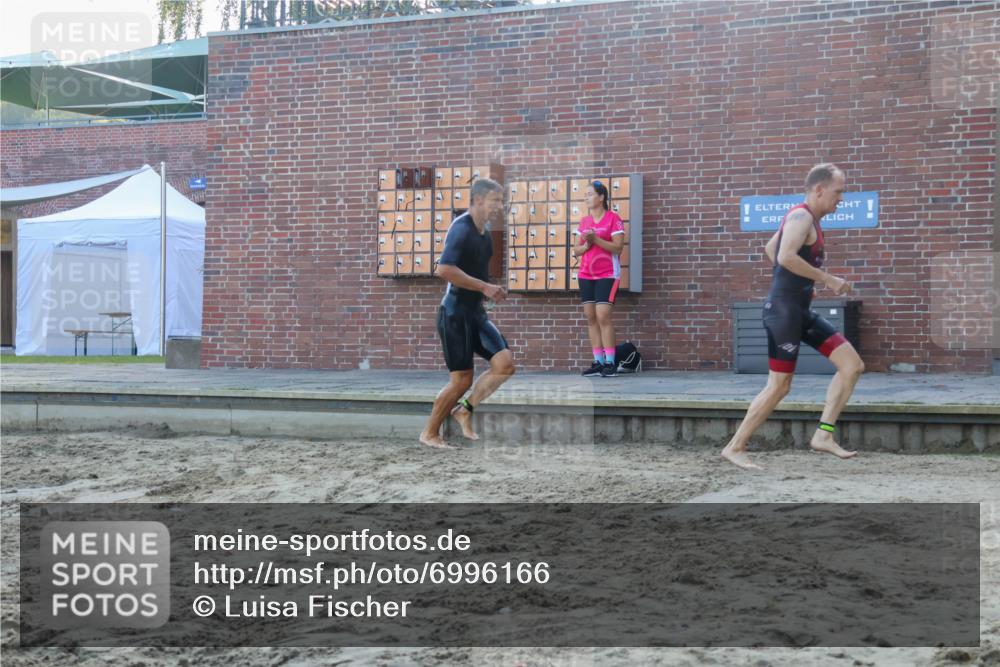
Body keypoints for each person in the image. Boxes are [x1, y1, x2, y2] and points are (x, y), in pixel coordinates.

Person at [721, 163, 865, 470]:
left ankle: (823, 436)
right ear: (819, 189)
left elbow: (771, 247)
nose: (841, 199)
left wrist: (795, 283)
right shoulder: (801, 216)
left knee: (852, 365)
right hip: (784, 314)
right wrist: (825, 279)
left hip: (799, 312)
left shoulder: (806, 218)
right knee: (779, 386)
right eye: (838, 192)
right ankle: (735, 447)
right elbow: (784, 255)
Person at [419, 177, 515, 449]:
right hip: (454, 315)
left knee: (504, 364)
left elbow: (477, 275)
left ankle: (463, 410)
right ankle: (429, 433)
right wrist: (485, 287)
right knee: (461, 380)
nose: (500, 205)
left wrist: (492, 291)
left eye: (501, 200)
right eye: (496, 200)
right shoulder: (460, 228)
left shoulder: (485, 234)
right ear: (479, 199)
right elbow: (444, 269)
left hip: (476, 313)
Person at [573, 180, 625, 377]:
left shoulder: (613, 218)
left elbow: (618, 247)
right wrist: (586, 245)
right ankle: (598, 362)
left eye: (590, 194)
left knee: (603, 315)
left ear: (601, 197)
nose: (586, 197)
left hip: (608, 274)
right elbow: (576, 250)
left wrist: (596, 240)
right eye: (585, 194)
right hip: (586, 274)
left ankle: (610, 363)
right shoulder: (584, 221)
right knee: (591, 317)